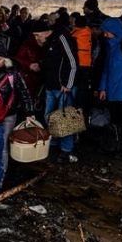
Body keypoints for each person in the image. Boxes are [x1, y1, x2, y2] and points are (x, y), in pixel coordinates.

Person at [31, 19, 80, 164]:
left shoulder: (62, 38)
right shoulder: (47, 44)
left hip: (63, 87)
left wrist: (69, 84)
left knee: (65, 119)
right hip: (50, 86)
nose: (36, 38)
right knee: (49, 117)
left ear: (45, 32)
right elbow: (51, 62)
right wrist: (40, 65)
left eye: (37, 35)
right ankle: (53, 143)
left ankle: (66, 150)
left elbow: (73, 62)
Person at [0, 44, 35, 172]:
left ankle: (0, 174)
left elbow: (24, 92)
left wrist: (29, 113)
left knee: (2, 145)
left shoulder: (13, 73)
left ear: (5, 59)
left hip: (8, 114)